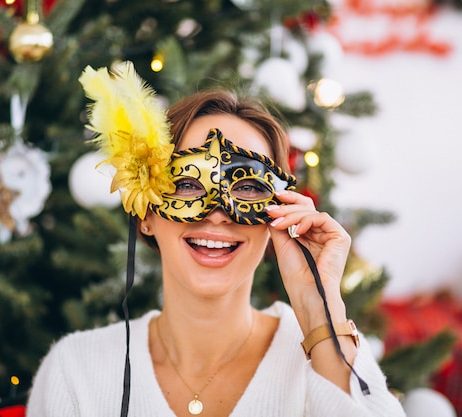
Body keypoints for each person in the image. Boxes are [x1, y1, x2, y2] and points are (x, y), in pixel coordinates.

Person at [26, 64, 406, 417]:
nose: (217, 212)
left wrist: (319, 309)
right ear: (146, 213)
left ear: (281, 212)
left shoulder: (331, 357)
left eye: (249, 189)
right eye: (188, 184)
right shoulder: (75, 372)